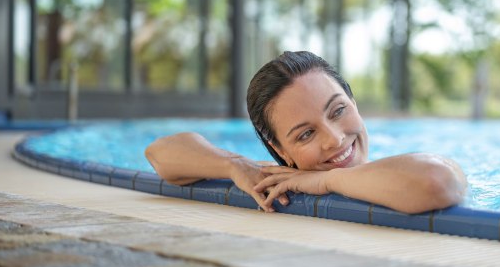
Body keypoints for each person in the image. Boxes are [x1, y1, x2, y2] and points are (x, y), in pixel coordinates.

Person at [145, 51, 467, 214]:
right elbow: (159, 152)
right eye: (305, 135)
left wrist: (324, 180)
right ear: (281, 150)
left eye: (338, 110)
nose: (335, 139)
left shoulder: (395, 173)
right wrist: (233, 165)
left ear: (353, 102)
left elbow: (437, 181)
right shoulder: (276, 185)